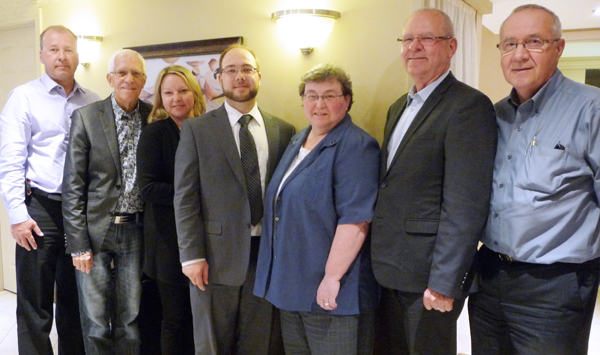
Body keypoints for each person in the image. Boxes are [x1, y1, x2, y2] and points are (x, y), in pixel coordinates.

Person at [468, 4, 600, 355]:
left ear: (559, 47)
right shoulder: (492, 116)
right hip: (490, 276)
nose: (520, 54)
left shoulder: (592, 109)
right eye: (509, 44)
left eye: (534, 42)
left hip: (554, 287)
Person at [369, 8, 497, 355]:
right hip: (389, 268)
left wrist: (444, 281)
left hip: (429, 276)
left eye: (427, 38)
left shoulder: (468, 106)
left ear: (452, 46)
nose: (415, 47)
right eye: (408, 39)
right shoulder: (399, 107)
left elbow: (466, 205)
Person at [174, 44, 295, 355]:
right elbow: (185, 198)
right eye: (231, 70)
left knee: (259, 344)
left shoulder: (283, 130)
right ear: (219, 77)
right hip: (212, 259)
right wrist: (191, 256)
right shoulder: (197, 130)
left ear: (258, 76)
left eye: (246, 69)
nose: (240, 76)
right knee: (213, 345)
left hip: (266, 257)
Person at [253, 63, 380, 354]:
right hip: (292, 286)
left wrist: (331, 278)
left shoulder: (357, 146)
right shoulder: (299, 138)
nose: (319, 104)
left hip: (331, 290)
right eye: (311, 95)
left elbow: (356, 220)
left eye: (329, 95)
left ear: (347, 100)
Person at [0, 25, 100, 355]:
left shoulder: (93, 101)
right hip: (39, 209)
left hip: (81, 212)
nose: (61, 55)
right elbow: (10, 160)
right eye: (54, 49)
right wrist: (17, 215)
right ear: (42, 55)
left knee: (75, 302)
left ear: (77, 55)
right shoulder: (24, 96)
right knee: (36, 304)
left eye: (68, 49)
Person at [62, 49, 151, 354]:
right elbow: (73, 184)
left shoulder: (155, 117)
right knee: (96, 319)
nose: (129, 79)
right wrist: (78, 244)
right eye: (122, 72)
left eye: (136, 73)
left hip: (138, 230)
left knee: (130, 317)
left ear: (144, 79)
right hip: (96, 231)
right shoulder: (86, 118)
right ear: (110, 78)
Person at [137, 65, 206, 355]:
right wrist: (193, 194)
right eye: (168, 92)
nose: (176, 98)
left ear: (195, 93)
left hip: (204, 238)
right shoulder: (155, 134)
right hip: (166, 241)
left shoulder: (208, 130)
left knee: (200, 317)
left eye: (182, 90)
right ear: (160, 99)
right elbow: (148, 188)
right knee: (175, 318)